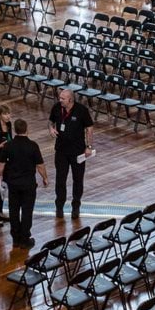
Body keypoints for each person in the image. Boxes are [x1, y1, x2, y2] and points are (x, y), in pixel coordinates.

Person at [0, 118, 48, 247]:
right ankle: (25, 239)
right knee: (27, 211)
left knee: (13, 211)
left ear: (14, 130)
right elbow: (40, 165)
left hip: (13, 184)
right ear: (27, 129)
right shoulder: (33, 145)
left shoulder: (9, 145)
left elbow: (1, 163)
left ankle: (15, 238)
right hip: (28, 184)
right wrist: (45, 178)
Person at [48, 88, 94, 218]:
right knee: (60, 180)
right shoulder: (57, 108)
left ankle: (76, 206)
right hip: (61, 151)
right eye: (60, 97)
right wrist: (51, 128)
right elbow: (50, 121)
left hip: (78, 152)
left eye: (62, 98)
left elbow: (89, 128)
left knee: (78, 180)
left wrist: (89, 146)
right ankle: (59, 207)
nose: (60, 100)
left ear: (70, 99)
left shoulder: (81, 110)